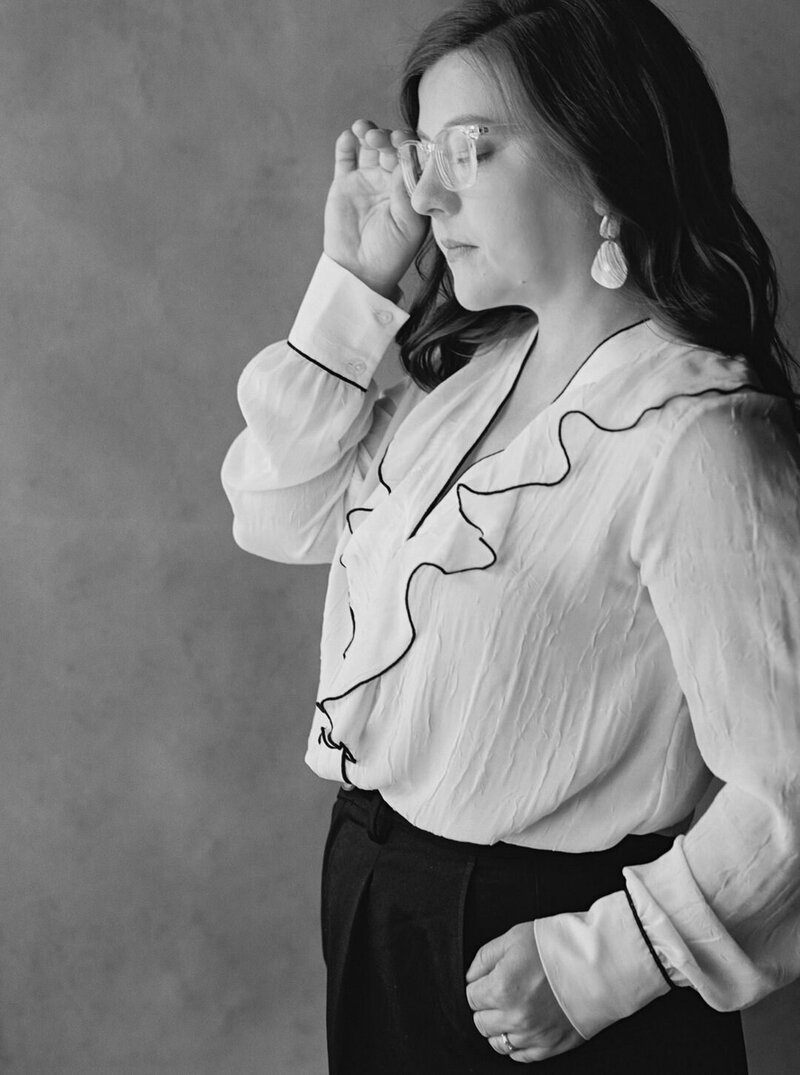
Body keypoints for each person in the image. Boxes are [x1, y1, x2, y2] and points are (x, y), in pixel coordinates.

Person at [221, 0, 800, 1070]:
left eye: (471, 150)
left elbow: (793, 782)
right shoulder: (461, 380)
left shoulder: (699, 440)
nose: (428, 191)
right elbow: (275, 513)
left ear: (602, 159)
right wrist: (350, 283)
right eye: (423, 154)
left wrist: (605, 960)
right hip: (377, 899)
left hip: (543, 949)